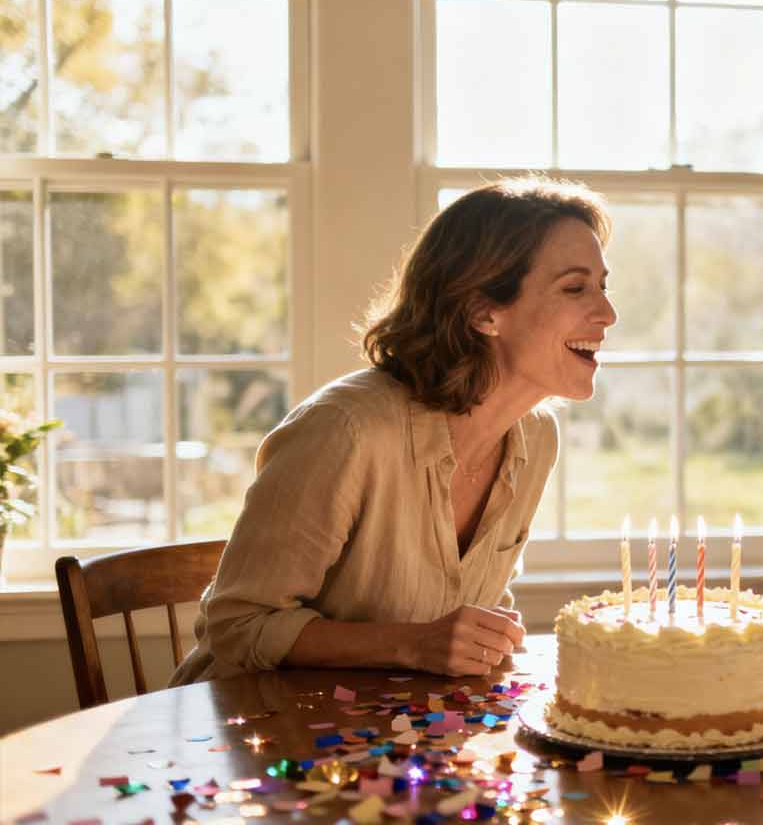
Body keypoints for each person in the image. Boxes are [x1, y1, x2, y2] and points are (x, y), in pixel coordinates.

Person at [171, 178, 617, 684]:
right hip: (246, 732)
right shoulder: (347, 431)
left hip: (393, 736)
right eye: (576, 288)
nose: (607, 314)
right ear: (482, 311)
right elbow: (236, 626)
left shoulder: (536, 440)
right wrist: (414, 644)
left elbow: (467, 617)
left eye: (603, 286)